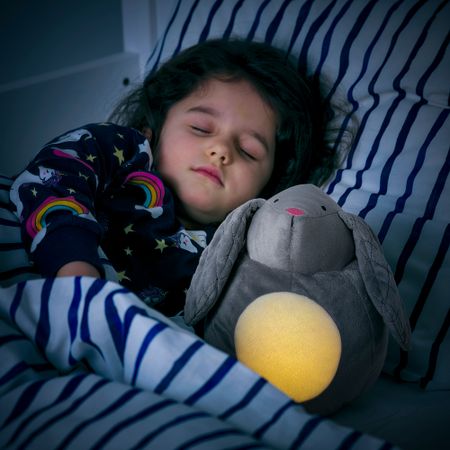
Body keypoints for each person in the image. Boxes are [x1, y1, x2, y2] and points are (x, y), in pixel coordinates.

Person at [10, 38, 337, 316]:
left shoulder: (236, 253)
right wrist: (74, 269)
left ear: (269, 186)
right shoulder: (120, 152)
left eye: (248, 151)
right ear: (152, 129)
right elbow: (52, 178)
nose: (221, 150)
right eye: (201, 128)